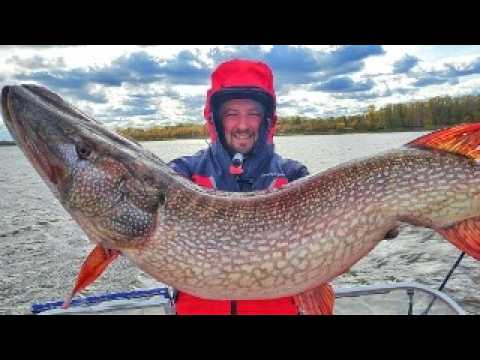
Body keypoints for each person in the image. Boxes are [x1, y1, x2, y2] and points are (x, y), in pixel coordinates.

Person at [168, 59, 309, 315]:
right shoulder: (183, 173)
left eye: (253, 113)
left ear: (267, 120)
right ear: (216, 121)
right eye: (232, 114)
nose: (242, 125)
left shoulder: (293, 175)